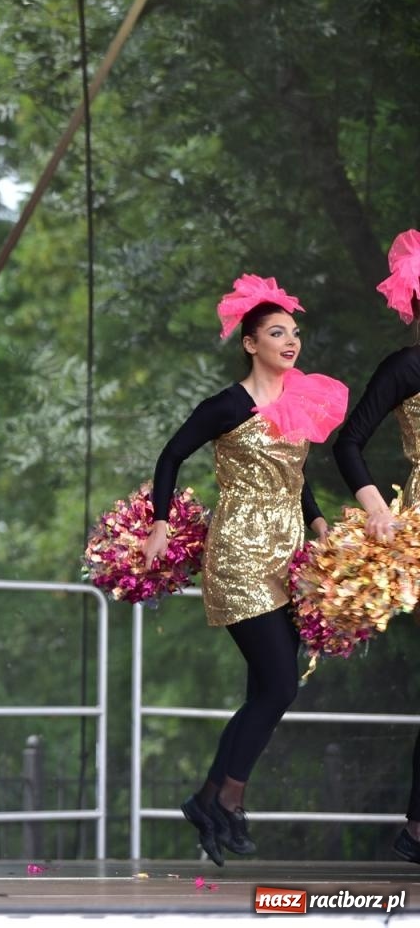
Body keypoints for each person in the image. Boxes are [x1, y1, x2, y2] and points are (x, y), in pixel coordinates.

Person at [143, 274, 341, 866]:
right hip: (238, 555)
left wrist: (318, 522)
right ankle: (227, 798)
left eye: (294, 333)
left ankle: (207, 800)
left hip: (288, 556)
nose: (291, 342)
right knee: (280, 685)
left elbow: (295, 476)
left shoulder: (299, 400)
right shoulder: (227, 406)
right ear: (251, 343)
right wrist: (159, 523)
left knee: (266, 690)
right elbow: (172, 455)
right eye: (277, 333)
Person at [329, 229, 420, 865]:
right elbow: (348, 441)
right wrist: (379, 510)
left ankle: (416, 829)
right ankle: (417, 828)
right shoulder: (406, 367)